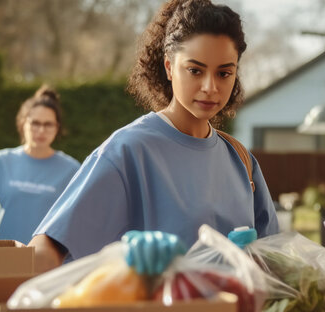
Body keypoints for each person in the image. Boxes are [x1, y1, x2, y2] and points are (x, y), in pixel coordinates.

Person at [29, 0, 280, 272]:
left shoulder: (241, 160)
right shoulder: (128, 150)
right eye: (195, 70)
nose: (210, 87)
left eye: (224, 73)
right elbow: (48, 246)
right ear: (169, 67)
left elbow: (276, 259)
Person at [0, 86, 80, 243]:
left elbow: (86, 216)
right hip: (3, 259)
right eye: (35, 123)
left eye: (48, 124)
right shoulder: (2, 161)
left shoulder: (72, 170)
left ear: (57, 128)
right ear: (23, 124)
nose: (41, 130)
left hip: (49, 263)